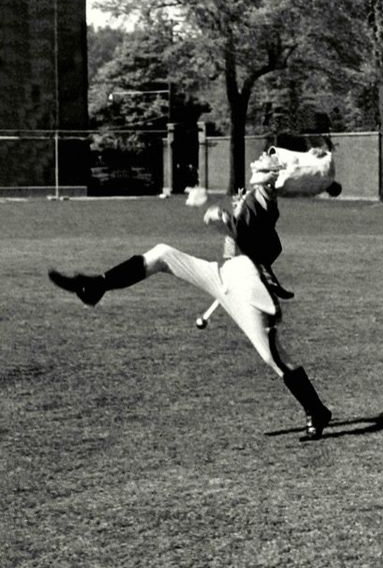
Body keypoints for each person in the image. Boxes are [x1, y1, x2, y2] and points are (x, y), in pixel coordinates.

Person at [47, 151, 332, 440]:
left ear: (275, 175)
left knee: (275, 358)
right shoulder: (254, 196)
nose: (260, 158)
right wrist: (222, 216)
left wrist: (220, 217)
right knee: (162, 254)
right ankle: (97, 286)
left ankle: (316, 410)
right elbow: (267, 244)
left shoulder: (263, 196)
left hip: (246, 281)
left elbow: (251, 236)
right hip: (223, 271)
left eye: (269, 160)